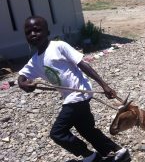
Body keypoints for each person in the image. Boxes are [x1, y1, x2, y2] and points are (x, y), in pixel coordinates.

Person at [18, 16, 130, 162]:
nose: (33, 34)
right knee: (87, 130)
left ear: (47, 32)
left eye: (37, 30)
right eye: (28, 32)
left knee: (57, 133)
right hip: (71, 98)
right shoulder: (34, 61)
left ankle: (90, 156)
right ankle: (119, 152)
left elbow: (82, 64)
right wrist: (23, 84)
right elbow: (21, 76)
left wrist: (104, 85)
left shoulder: (58, 46)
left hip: (78, 95)